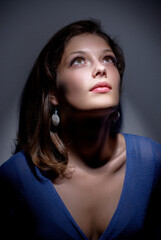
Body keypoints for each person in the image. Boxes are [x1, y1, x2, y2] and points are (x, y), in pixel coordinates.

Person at [0, 19, 161, 240]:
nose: (101, 68)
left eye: (108, 59)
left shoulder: (152, 161)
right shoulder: (16, 176)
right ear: (53, 93)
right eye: (78, 61)